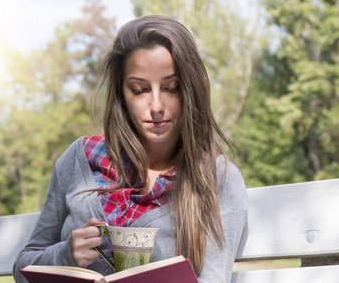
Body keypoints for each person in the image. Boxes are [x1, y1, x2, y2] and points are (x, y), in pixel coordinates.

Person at [13, 15, 248, 283]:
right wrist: (66, 255)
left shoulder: (217, 179)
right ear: (122, 93)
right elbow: (23, 268)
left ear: (190, 91)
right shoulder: (81, 159)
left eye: (172, 88)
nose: (156, 106)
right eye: (139, 89)